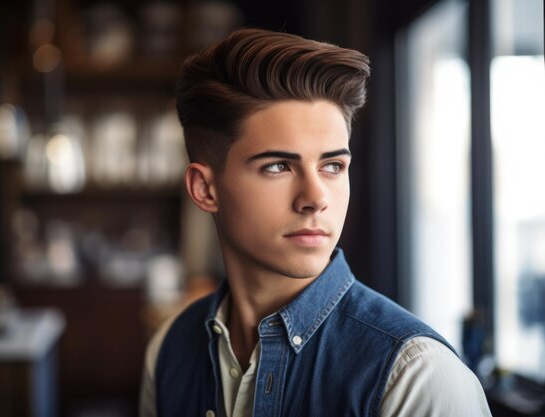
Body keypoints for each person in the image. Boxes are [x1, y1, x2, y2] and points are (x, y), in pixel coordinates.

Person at [139, 28, 492, 417]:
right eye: (277, 166)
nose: (316, 198)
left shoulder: (417, 377)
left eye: (332, 166)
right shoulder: (169, 350)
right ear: (205, 188)